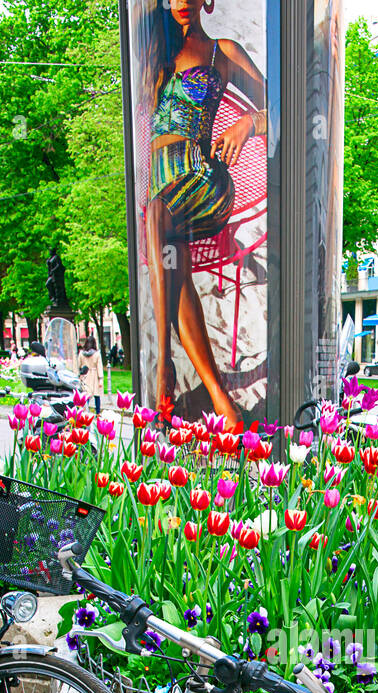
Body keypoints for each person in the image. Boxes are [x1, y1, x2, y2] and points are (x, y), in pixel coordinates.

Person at [139, 0, 266, 429]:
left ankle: (163, 371)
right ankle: (224, 407)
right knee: (175, 275)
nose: (181, 3)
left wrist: (248, 124)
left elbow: (281, 105)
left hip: (201, 176)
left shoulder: (221, 52)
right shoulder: (157, 50)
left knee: (156, 218)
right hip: (162, 181)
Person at [79, 336, 104, 415]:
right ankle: (98, 413)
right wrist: (101, 379)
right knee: (97, 395)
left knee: (86, 394)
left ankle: (84, 411)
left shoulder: (81, 354)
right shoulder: (97, 354)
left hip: (84, 375)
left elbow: (78, 365)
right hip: (94, 375)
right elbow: (99, 367)